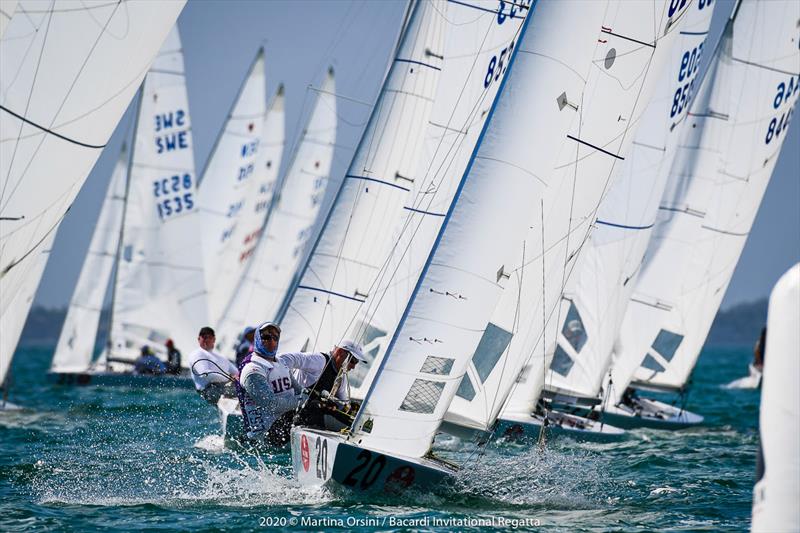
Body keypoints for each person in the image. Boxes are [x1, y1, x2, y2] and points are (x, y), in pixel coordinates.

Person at [236, 322, 303, 446]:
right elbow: (271, 405)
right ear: (257, 339)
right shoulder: (252, 370)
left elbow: (299, 390)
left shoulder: (282, 362)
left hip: (287, 421)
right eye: (266, 337)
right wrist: (302, 401)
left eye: (275, 337)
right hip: (267, 437)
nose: (271, 341)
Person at [278, 340, 366, 431]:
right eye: (352, 361)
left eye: (356, 362)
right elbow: (282, 359)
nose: (353, 367)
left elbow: (342, 406)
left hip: (307, 423)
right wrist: (294, 386)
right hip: (287, 415)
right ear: (340, 352)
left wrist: (353, 412)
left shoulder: (341, 378)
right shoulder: (319, 361)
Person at [187, 326, 239, 403]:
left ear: (214, 339)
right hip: (208, 391)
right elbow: (205, 374)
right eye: (204, 337)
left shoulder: (221, 356)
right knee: (238, 392)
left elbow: (236, 372)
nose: (207, 340)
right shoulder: (196, 354)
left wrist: (238, 377)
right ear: (199, 339)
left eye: (210, 337)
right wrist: (228, 377)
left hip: (223, 388)